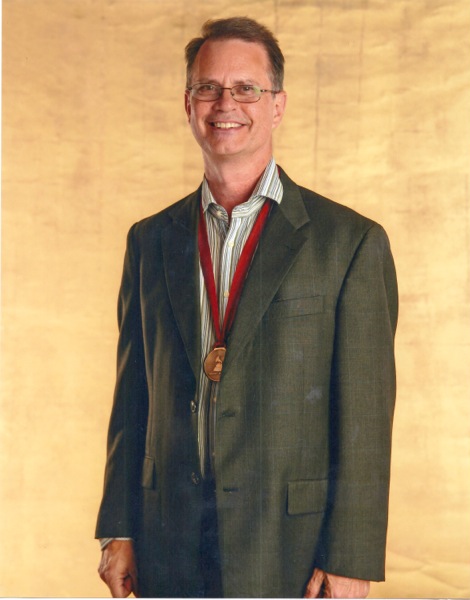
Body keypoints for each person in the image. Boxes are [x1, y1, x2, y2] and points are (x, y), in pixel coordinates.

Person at [96, 16, 398, 599]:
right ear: (188, 105)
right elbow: (132, 396)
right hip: (168, 541)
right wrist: (119, 526)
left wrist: (351, 558)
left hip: (289, 545)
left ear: (277, 106)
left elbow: (365, 420)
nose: (224, 103)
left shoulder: (349, 242)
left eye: (246, 89)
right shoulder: (149, 240)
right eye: (208, 87)